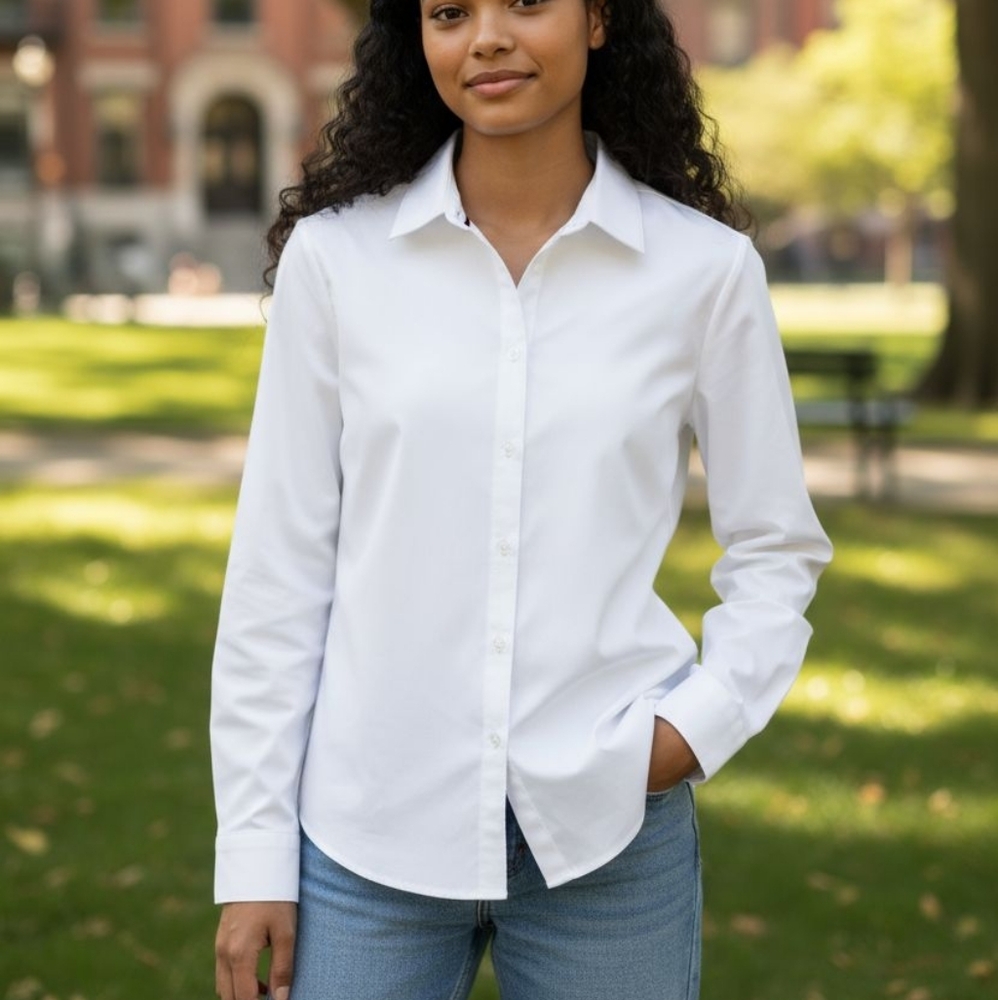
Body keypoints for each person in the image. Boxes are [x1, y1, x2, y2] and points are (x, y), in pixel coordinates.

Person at [210, 1, 833, 998]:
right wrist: (250, 858)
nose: (485, 38)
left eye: (525, 3)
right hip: (367, 833)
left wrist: (693, 730)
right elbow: (277, 574)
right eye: (449, 13)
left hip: (607, 836)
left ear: (596, 21)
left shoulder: (703, 273)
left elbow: (774, 548)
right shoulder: (337, 262)